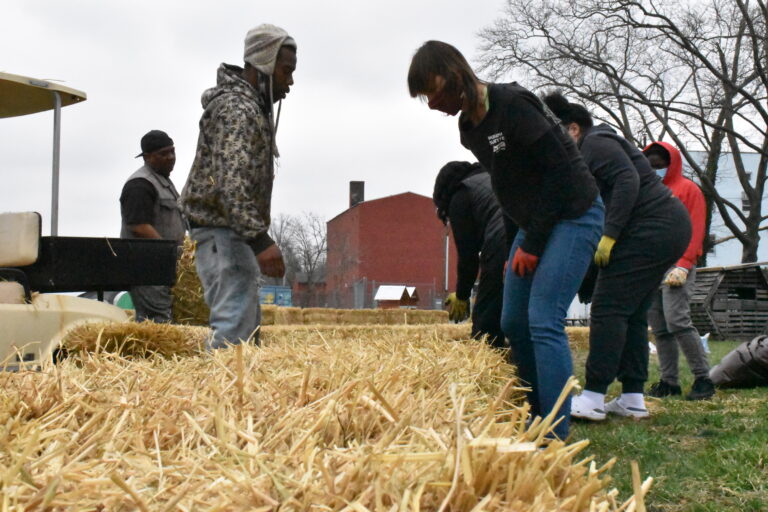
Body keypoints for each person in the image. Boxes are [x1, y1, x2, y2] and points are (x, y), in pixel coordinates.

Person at [408, 41, 604, 440]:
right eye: (425, 97)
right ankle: (534, 413)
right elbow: (509, 187)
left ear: (455, 71)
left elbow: (560, 175)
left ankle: (554, 431)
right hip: (530, 224)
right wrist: (516, 244)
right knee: (512, 319)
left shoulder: (513, 104)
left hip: (574, 213)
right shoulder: (469, 129)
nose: (432, 104)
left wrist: (531, 244)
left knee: (543, 318)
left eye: (434, 90)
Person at [542, 93, 692, 420]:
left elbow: (628, 179)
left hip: (652, 226)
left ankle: (593, 397)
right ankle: (632, 398)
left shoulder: (596, 143)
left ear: (573, 128)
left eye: (555, 133)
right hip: (666, 227)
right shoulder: (591, 148)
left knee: (609, 307)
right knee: (633, 312)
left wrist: (610, 234)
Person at [180, 24, 295, 349]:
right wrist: (260, 241)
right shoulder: (237, 110)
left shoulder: (246, 107)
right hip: (222, 231)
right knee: (233, 326)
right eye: (286, 71)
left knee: (243, 323)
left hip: (229, 232)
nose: (290, 82)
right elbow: (231, 182)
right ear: (264, 66)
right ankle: (221, 396)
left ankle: (236, 394)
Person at [643, 142, 715, 400]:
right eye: (650, 166)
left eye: (659, 166)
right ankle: (669, 382)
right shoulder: (646, 191)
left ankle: (703, 379)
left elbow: (696, 229)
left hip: (677, 268)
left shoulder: (688, 190)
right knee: (660, 328)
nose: (654, 170)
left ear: (671, 164)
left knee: (678, 322)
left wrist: (684, 264)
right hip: (651, 268)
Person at [433, 161, 515, 348]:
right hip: (529, 235)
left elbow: (468, 257)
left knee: (486, 320)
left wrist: (461, 295)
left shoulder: (461, 195)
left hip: (501, 239)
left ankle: (490, 367)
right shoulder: (489, 178)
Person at [120, 130, 186, 323]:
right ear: (147, 157)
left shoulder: (163, 181)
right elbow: (138, 225)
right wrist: (170, 251)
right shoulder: (140, 184)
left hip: (163, 269)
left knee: (167, 321)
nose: (171, 158)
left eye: (172, 152)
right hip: (147, 269)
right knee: (157, 322)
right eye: (163, 154)